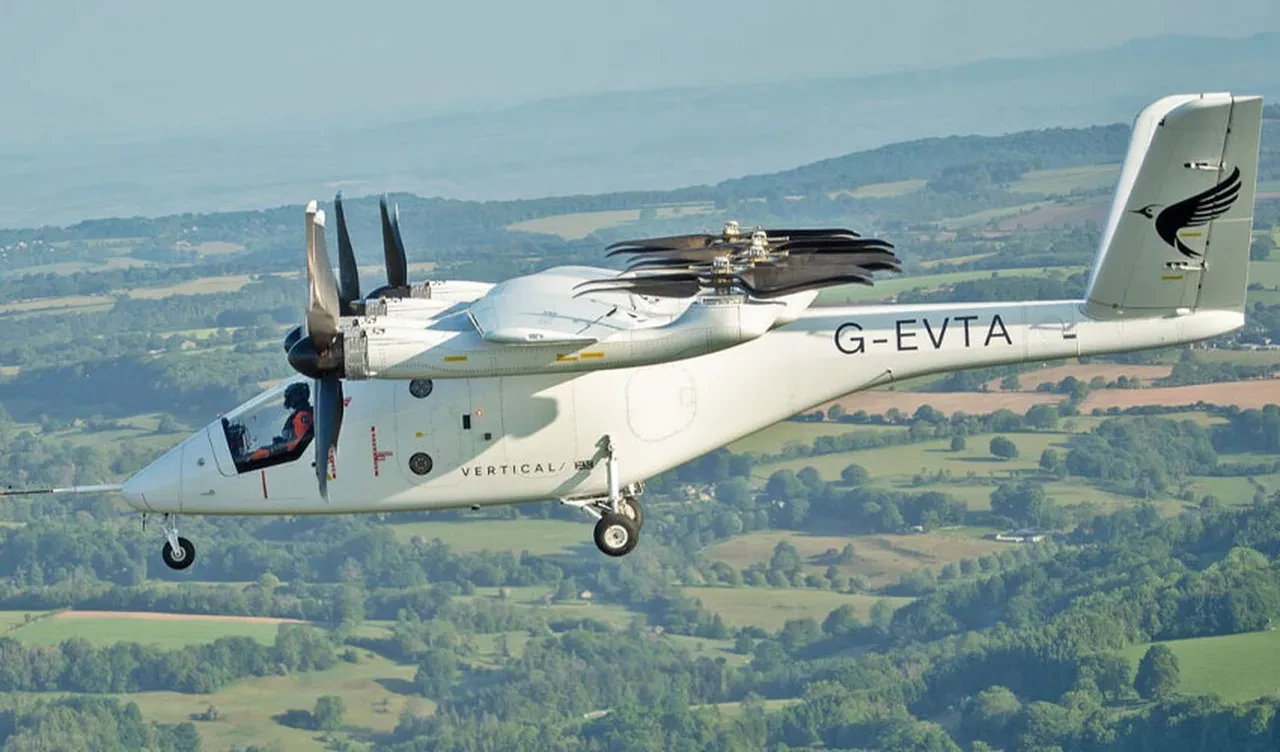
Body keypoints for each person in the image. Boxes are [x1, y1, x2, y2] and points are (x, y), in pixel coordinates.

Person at [246, 382, 313, 463]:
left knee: (256, 456)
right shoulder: (301, 413)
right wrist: (282, 442)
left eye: (289, 397)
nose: (286, 401)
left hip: (290, 457)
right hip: (288, 452)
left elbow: (301, 443)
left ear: (296, 397)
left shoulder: (302, 416)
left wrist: (280, 446)